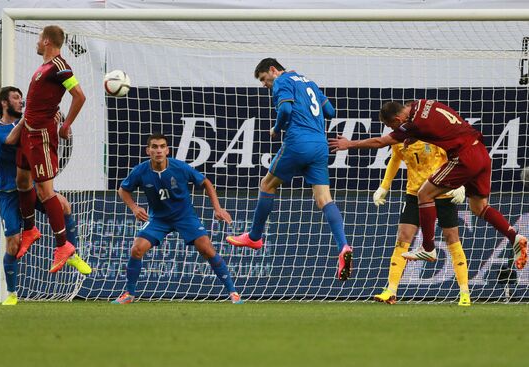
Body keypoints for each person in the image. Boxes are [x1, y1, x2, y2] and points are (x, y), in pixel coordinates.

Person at [329, 99, 527, 271]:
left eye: (392, 127)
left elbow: (379, 142)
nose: (394, 131)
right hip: (481, 153)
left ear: (397, 121)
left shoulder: (410, 126)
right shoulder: (424, 103)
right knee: (479, 207)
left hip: (464, 157)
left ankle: (428, 249)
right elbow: (432, 126)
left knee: (424, 193)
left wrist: (350, 144)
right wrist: (412, 136)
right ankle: (514, 237)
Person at [226, 58, 353, 281]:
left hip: (298, 141)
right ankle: (343, 245)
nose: (266, 85)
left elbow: (284, 109)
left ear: (273, 70)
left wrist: (277, 128)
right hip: (320, 144)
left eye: (265, 79)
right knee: (324, 198)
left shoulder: (282, 81)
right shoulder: (309, 82)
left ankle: (255, 237)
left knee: (267, 184)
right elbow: (330, 111)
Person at [0, 86, 91, 306]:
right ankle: (12, 294)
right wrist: (31, 117)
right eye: (16, 98)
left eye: (22, 98)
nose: (21, 101)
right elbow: (11, 141)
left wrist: (57, 122)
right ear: (4, 103)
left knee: (64, 206)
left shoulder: (28, 122)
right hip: (8, 193)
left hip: (30, 186)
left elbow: (43, 133)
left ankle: (70, 253)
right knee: (13, 245)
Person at [112, 133, 243, 304]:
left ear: (167, 150)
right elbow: (123, 190)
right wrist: (134, 207)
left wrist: (217, 208)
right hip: (158, 218)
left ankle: (233, 292)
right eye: (154, 147)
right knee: (137, 249)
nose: (158, 150)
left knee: (207, 249)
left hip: (184, 216)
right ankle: (129, 294)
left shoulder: (180, 167)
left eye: (162, 147)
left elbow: (206, 183)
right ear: (148, 150)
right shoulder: (140, 171)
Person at [16, 25, 86, 273]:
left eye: (38, 38)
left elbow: (79, 95)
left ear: (46, 41)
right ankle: (30, 229)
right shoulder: (45, 67)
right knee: (22, 181)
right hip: (28, 134)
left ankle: (63, 245)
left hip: (42, 136)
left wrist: (66, 125)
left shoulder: (60, 66)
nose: (36, 43)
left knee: (46, 192)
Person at [372, 140, 471, 306]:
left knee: (452, 238)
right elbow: (395, 158)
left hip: (443, 192)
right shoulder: (400, 138)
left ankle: (464, 292)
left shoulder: (432, 135)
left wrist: (458, 183)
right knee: (403, 237)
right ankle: (391, 291)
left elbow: (455, 158)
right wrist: (384, 186)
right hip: (414, 194)